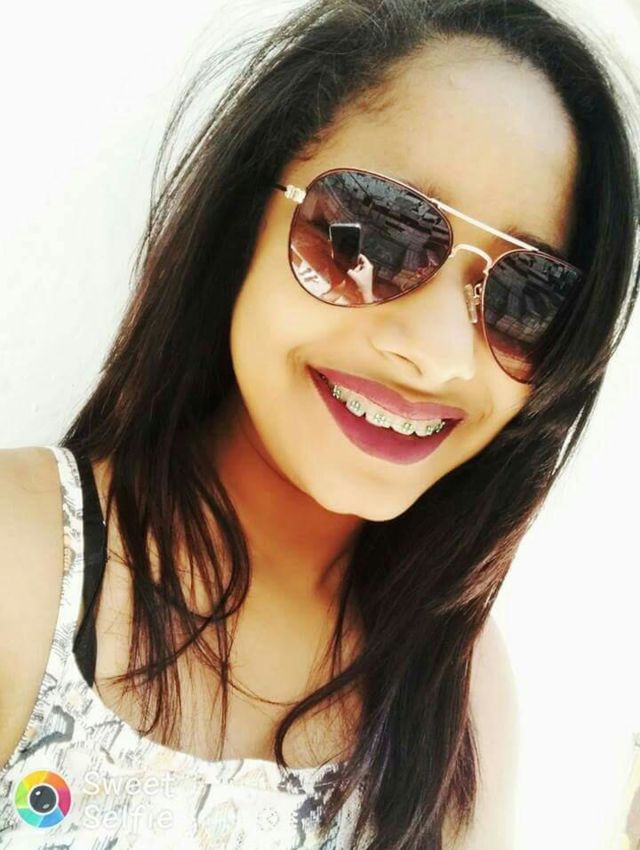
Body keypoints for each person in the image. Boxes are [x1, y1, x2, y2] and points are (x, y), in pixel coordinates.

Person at [0, 0, 638, 847]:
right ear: (244, 216)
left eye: (527, 299)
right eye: (371, 235)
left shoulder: (460, 700)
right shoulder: (21, 562)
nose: (437, 357)